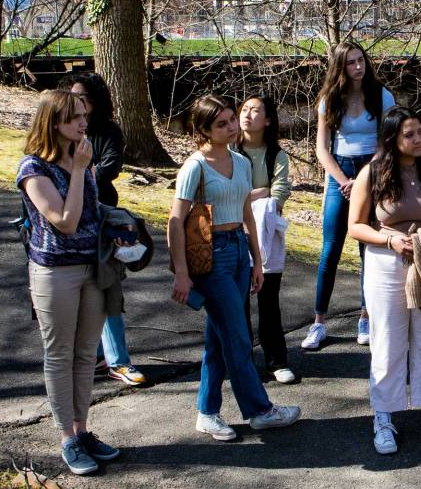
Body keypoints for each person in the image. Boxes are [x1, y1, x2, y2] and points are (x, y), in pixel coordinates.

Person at [169, 94, 302, 441]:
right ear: (203, 129)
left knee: (219, 340)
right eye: (222, 123)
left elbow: (247, 215)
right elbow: (175, 220)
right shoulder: (194, 167)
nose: (231, 127)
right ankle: (259, 411)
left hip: (239, 251)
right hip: (210, 257)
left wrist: (258, 260)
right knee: (238, 336)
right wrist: (181, 272)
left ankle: (207, 412)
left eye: (231, 120)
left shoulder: (241, 163)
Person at [16, 89, 119, 476]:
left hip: (93, 268)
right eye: (73, 117)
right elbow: (64, 221)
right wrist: (78, 171)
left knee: (85, 353)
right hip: (54, 271)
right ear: (53, 123)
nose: (82, 122)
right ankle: (67, 438)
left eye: (83, 115)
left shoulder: (84, 158)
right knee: (59, 354)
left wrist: (120, 226)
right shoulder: (33, 169)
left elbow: (91, 214)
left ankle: (83, 429)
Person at [347, 106, 421, 453]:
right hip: (385, 262)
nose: (418, 139)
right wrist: (390, 239)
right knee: (388, 340)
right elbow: (356, 226)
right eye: (409, 134)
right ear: (392, 138)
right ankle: (383, 417)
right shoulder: (374, 172)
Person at [307, 42, 395, 352]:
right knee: (330, 249)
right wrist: (344, 180)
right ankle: (318, 322)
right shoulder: (330, 99)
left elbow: (388, 143)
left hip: (372, 170)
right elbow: (322, 148)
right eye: (351, 63)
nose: (358, 66)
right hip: (340, 173)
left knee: (367, 249)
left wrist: (365, 178)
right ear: (340, 67)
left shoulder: (381, 95)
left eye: (361, 60)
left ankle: (365, 316)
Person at [66, 72, 144, 388]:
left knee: (107, 286)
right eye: (72, 95)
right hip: (71, 222)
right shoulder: (65, 130)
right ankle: (94, 357)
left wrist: (81, 174)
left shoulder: (107, 131)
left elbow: (109, 169)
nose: (77, 103)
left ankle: (119, 362)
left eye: (82, 97)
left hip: (100, 218)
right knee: (80, 292)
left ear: (96, 101)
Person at [238, 94, 296, 385]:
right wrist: (259, 193)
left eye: (255, 110)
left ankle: (277, 361)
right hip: (234, 234)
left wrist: (255, 196)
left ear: (268, 119)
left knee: (269, 301)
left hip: (266, 235)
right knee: (238, 303)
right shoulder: (230, 151)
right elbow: (229, 193)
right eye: (244, 109)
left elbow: (280, 193)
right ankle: (244, 362)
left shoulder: (277, 155)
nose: (247, 114)